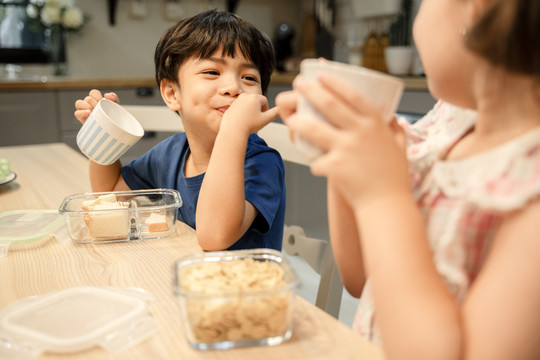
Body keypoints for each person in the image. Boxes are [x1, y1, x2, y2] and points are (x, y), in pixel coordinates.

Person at [276, 0, 540, 358]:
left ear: (475, 8)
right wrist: (345, 150)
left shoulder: (528, 189)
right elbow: (361, 278)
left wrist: (382, 196)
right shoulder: (447, 124)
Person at [74, 10, 286, 252]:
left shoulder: (261, 162)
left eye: (249, 77)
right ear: (172, 94)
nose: (234, 87)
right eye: (212, 72)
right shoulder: (171, 153)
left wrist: (234, 129)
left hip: (242, 287)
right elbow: (111, 195)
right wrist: (104, 132)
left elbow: (214, 238)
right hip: (181, 277)